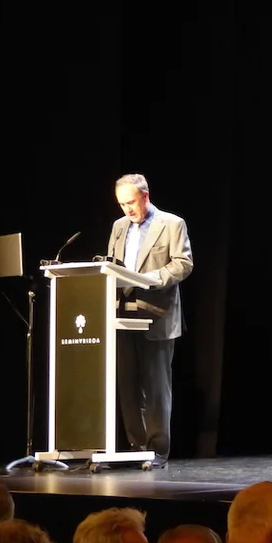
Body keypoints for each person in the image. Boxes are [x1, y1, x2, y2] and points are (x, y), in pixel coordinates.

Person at [109, 173, 193, 468]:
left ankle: (158, 450)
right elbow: (112, 265)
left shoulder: (172, 223)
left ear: (145, 196)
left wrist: (150, 279)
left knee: (156, 388)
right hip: (123, 315)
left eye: (131, 202)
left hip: (157, 314)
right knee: (128, 385)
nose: (127, 209)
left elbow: (183, 263)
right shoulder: (119, 227)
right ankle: (136, 446)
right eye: (122, 204)